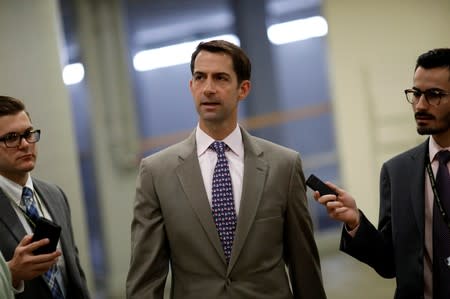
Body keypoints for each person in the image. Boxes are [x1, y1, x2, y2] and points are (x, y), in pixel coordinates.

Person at [126, 40, 327, 299]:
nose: (208, 88)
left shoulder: (283, 166)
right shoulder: (156, 173)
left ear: (243, 89)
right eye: (200, 77)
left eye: (220, 78)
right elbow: (145, 280)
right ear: (191, 86)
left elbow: (305, 268)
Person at [314, 48, 450, 299]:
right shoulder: (398, 172)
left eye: (434, 95)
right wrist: (355, 221)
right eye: (416, 93)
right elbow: (389, 263)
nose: (420, 105)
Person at [0, 96, 90, 298]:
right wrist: (11, 273)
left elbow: (73, 271)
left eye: (28, 133)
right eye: (11, 138)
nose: (25, 144)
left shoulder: (55, 194)